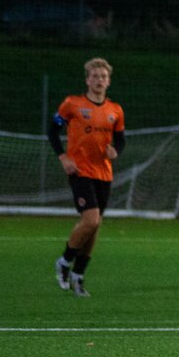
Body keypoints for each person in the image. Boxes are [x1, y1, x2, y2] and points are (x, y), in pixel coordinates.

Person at [49, 57, 125, 298]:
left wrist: (116, 151)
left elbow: (120, 140)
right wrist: (63, 156)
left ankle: (78, 275)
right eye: (95, 76)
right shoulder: (72, 104)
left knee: (95, 225)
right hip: (80, 170)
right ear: (87, 80)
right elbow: (52, 130)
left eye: (103, 76)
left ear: (109, 81)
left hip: (104, 173)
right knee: (91, 220)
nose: (99, 80)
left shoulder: (115, 110)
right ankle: (64, 261)